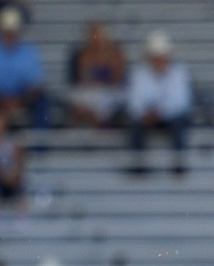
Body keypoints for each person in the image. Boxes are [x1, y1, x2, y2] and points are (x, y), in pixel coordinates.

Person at [127, 30, 192, 175]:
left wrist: (160, 112)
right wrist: (145, 113)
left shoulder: (179, 72)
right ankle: (138, 166)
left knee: (180, 122)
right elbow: (134, 102)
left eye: (161, 56)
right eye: (155, 57)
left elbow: (181, 102)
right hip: (148, 117)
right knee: (134, 125)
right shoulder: (139, 73)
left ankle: (179, 164)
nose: (159, 60)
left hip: (171, 117)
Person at [0, 7, 48, 127]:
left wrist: (18, 100)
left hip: (22, 97)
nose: (9, 36)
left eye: (12, 32)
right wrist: (2, 101)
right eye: (6, 32)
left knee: (42, 105)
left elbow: (36, 85)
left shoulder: (28, 49)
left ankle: (40, 143)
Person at [67, 22, 127, 127]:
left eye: (98, 35)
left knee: (106, 99)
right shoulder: (82, 54)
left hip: (110, 90)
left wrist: (105, 77)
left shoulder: (115, 53)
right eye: (93, 35)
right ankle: (93, 121)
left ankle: (99, 122)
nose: (96, 39)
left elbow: (118, 78)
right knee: (79, 98)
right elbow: (83, 77)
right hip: (91, 90)